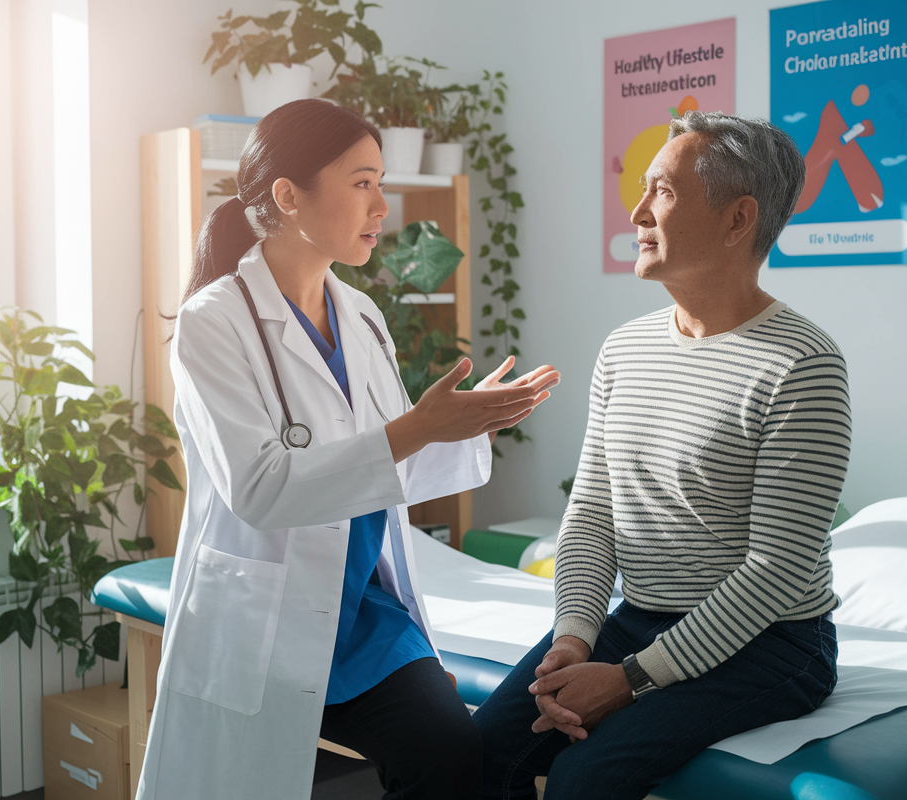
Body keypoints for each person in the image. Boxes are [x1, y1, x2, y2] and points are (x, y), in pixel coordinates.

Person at [136, 99, 559, 800]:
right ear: (287, 196)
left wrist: (463, 424)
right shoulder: (214, 324)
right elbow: (263, 490)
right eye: (362, 183)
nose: (382, 206)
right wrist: (420, 426)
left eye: (381, 183)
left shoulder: (360, 314)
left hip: (366, 613)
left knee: (451, 754)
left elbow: (387, 464)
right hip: (264, 619)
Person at [474, 111, 851, 799]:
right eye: (643, 188)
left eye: (664, 193)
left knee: (582, 776)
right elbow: (592, 511)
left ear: (739, 219)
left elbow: (776, 569)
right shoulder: (625, 349)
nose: (638, 210)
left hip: (775, 642)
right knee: (478, 753)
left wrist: (632, 679)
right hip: (638, 618)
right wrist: (577, 638)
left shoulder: (803, 364)